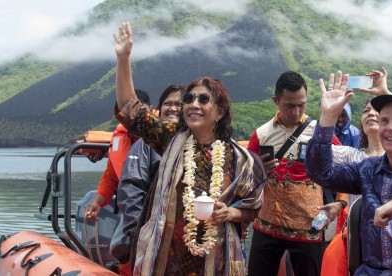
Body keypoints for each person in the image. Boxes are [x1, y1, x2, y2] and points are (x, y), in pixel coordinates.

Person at [113, 21, 267, 275]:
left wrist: (232, 213)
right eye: (189, 99)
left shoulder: (238, 158)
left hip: (217, 259)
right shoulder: (170, 139)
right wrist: (124, 58)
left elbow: (256, 205)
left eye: (203, 99)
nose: (193, 104)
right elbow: (131, 109)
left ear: (219, 112)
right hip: (167, 258)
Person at [305, 71, 392, 275]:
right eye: (384, 121)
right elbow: (320, 172)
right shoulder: (367, 168)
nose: (389, 128)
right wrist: (327, 118)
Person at [247, 70, 347, 276]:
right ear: (276, 101)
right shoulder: (261, 135)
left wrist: (340, 203)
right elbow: (246, 179)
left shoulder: (320, 132)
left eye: (301, 104)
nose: (296, 111)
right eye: (289, 105)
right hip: (267, 226)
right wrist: (260, 172)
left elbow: (342, 170)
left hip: (309, 227)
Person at [320, 68, 391, 276]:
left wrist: (386, 95)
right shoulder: (352, 157)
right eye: (366, 111)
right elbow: (319, 159)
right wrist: (327, 115)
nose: (370, 113)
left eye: (377, 110)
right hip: (359, 244)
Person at [110, 84, 184, 276]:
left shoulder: (198, 145)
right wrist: (140, 236)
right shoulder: (144, 147)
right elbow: (131, 191)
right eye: (168, 103)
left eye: (179, 103)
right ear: (158, 109)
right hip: (149, 236)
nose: (173, 108)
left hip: (184, 240)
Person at [85, 89, 150, 221]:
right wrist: (97, 202)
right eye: (128, 114)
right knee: (119, 240)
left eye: (139, 112)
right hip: (131, 208)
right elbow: (110, 177)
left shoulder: (164, 135)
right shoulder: (119, 140)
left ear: (150, 110)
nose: (134, 118)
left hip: (158, 208)